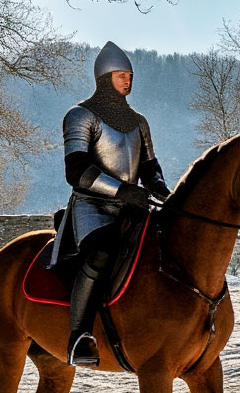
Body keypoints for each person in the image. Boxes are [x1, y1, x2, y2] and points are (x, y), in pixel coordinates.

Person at [50, 41, 170, 366]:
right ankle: (80, 336)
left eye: (129, 75)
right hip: (92, 210)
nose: (127, 80)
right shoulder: (79, 115)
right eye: (120, 75)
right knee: (102, 252)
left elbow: (149, 168)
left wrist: (162, 192)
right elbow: (77, 171)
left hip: (132, 208)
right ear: (104, 78)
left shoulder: (139, 121)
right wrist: (123, 192)